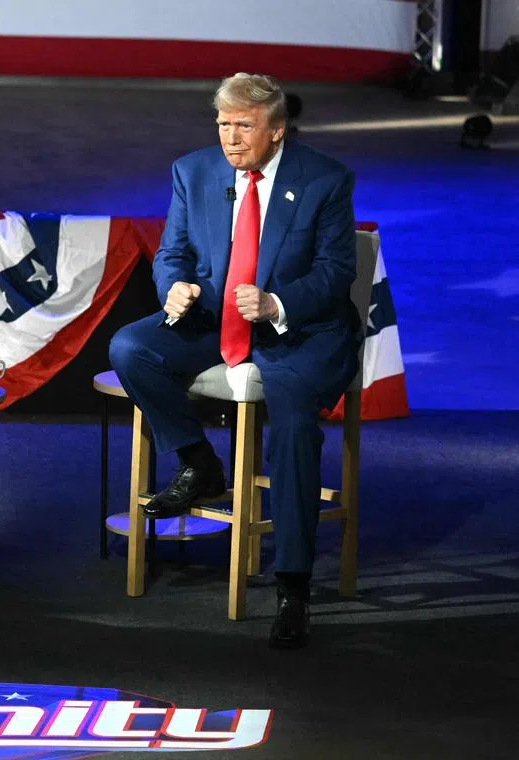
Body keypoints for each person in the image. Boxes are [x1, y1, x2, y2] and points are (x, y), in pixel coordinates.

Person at [108, 73, 360, 649]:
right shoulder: (193, 171)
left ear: (278, 130)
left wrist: (277, 303)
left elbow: (335, 272)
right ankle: (199, 462)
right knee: (131, 348)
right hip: (214, 316)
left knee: (291, 430)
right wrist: (173, 288)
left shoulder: (324, 179)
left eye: (244, 126)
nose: (230, 137)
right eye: (223, 124)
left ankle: (292, 587)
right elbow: (172, 252)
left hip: (298, 329)